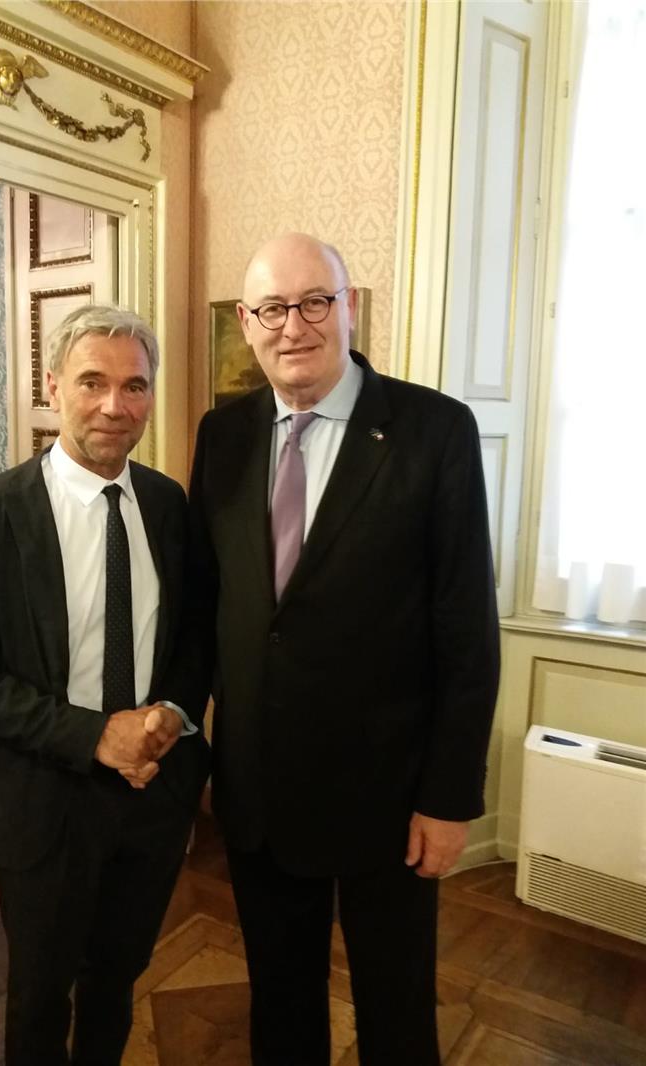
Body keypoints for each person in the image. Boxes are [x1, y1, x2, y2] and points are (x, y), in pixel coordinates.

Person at [178, 233, 500, 1065]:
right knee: (281, 1001)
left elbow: (466, 629)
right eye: (272, 309)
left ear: (348, 306)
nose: (294, 326)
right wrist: (178, 729)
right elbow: (206, 605)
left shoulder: (434, 430)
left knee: (396, 1010)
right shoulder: (223, 434)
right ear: (247, 321)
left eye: (315, 301)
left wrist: (450, 797)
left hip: (388, 800)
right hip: (259, 793)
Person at [0, 304, 210, 1065]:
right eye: (92, 382)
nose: (115, 406)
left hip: (150, 798)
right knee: (41, 993)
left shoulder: (167, 504)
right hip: (42, 800)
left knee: (118, 978)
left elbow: (191, 636)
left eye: (134, 386)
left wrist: (172, 713)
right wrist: (96, 736)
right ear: (53, 386)